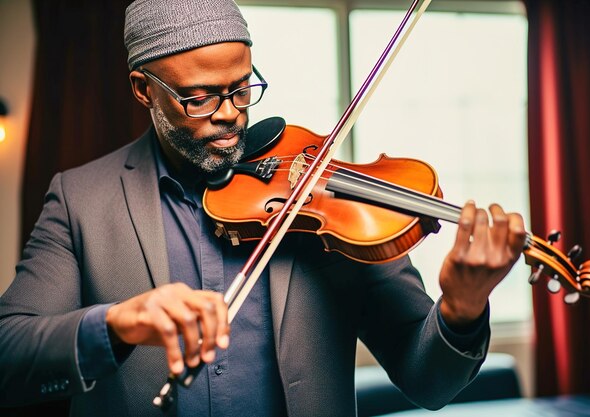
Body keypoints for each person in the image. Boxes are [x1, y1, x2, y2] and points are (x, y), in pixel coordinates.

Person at [0, 0, 526, 416]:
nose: (230, 115)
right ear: (144, 90)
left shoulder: (322, 195)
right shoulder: (81, 198)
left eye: (241, 89)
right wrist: (116, 322)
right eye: (199, 98)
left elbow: (427, 381)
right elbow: (9, 355)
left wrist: (460, 310)